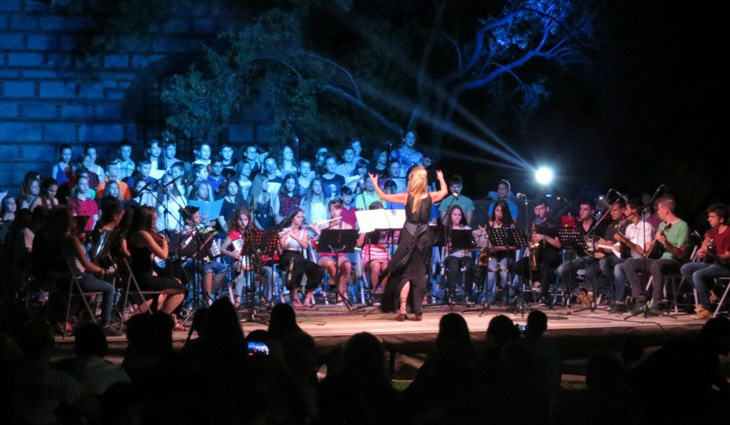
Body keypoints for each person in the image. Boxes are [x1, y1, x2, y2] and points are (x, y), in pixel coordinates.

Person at [370, 166, 447, 320]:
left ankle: (403, 309)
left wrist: (374, 183)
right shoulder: (430, 197)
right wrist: (441, 179)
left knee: (404, 273)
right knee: (419, 273)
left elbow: (382, 196)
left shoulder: (406, 197)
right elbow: (444, 191)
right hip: (424, 237)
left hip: (408, 236)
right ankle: (417, 311)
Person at [626, 196, 690, 316]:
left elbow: (681, 254)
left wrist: (666, 242)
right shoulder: (662, 225)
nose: (657, 212)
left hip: (675, 262)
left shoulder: (682, 226)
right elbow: (657, 249)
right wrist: (651, 244)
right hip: (659, 261)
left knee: (657, 265)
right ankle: (641, 302)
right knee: (629, 263)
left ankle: (656, 306)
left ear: (666, 211)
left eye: (659, 210)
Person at [127, 206, 186, 330]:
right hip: (144, 278)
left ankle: (165, 319)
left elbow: (146, 255)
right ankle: (160, 320)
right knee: (181, 289)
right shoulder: (144, 234)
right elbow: (164, 255)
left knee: (176, 282)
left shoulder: (134, 233)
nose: (155, 221)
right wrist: (164, 243)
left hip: (139, 275)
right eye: (153, 219)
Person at [680, 203, 730, 319]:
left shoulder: (728, 232)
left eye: (712, 217)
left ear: (721, 219)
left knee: (697, 274)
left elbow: (727, 257)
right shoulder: (715, 230)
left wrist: (713, 254)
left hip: (726, 266)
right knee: (686, 268)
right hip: (715, 264)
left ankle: (707, 308)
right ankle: (710, 294)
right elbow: (707, 239)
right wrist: (703, 249)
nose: (708, 219)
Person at [609, 198, 654, 314]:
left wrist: (625, 240)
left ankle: (627, 301)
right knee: (611, 264)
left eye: (627, 209)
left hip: (644, 261)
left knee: (620, 266)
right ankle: (617, 300)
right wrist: (619, 244)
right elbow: (627, 249)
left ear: (634, 211)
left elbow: (642, 251)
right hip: (631, 260)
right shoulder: (629, 228)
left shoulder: (646, 226)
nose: (624, 212)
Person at [278, 208, 325, 307]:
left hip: (298, 256)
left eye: (302, 217)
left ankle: (308, 296)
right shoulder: (285, 230)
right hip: (287, 255)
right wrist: (283, 237)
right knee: (297, 264)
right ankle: (294, 297)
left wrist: (294, 236)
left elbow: (305, 246)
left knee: (318, 270)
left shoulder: (304, 231)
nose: (301, 219)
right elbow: (281, 249)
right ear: (292, 218)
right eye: (298, 217)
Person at [313, 199, 354, 304]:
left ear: (341, 210)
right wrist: (317, 231)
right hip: (325, 255)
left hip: (339, 255)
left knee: (347, 266)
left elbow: (350, 243)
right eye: (332, 210)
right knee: (329, 263)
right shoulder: (324, 225)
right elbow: (316, 241)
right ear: (329, 211)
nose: (334, 212)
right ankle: (342, 291)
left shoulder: (347, 226)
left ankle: (340, 291)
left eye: (337, 209)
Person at [482, 199, 519, 305]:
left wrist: (499, 248)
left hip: (507, 255)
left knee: (503, 266)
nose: (499, 213)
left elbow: (515, 246)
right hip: (493, 255)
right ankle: (487, 296)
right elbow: (484, 241)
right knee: (491, 266)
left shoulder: (510, 226)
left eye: (502, 211)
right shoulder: (489, 224)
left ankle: (509, 295)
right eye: (497, 210)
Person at [442, 205, 475, 303]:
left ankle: (468, 294)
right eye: (455, 214)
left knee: (469, 264)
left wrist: (469, 246)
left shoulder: (466, 229)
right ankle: (452, 294)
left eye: (459, 215)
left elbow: (473, 245)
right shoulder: (447, 230)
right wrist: (450, 246)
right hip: (452, 256)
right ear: (451, 216)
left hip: (464, 255)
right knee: (454, 265)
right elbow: (445, 248)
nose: (457, 217)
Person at [357, 202, 391, 297]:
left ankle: (384, 293)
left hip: (382, 253)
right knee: (376, 266)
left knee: (385, 268)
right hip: (370, 252)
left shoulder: (385, 225)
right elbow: (359, 244)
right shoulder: (367, 224)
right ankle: (375, 292)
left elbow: (385, 244)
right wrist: (364, 231)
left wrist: (381, 244)